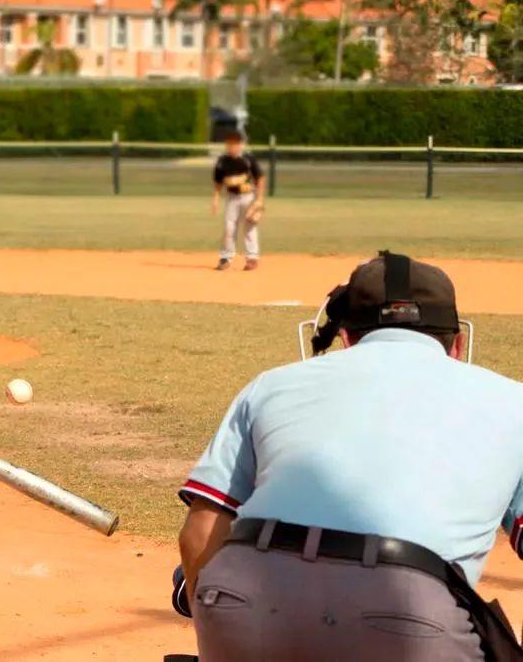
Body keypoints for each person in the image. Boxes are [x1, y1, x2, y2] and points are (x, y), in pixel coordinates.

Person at [173, 252, 523, 661]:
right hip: (410, 611)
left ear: (346, 337)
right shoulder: (511, 399)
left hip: (243, 597)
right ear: (457, 342)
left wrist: (220, 627)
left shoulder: (271, 385)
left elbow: (200, 531)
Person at [211, 131, 264, 271]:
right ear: (227, 145)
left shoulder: (248, 159)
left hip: (248, 196)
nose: (233, 146)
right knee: (229, 228)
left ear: (241, 144)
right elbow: (218, 181)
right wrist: (215, 198)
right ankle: (225, 258)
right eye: (230, 143)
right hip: (232, 198)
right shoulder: (222, 161)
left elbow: (260, 178)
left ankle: (252, 258)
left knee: (249, 227)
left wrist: (259, 199)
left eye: (236, 143)